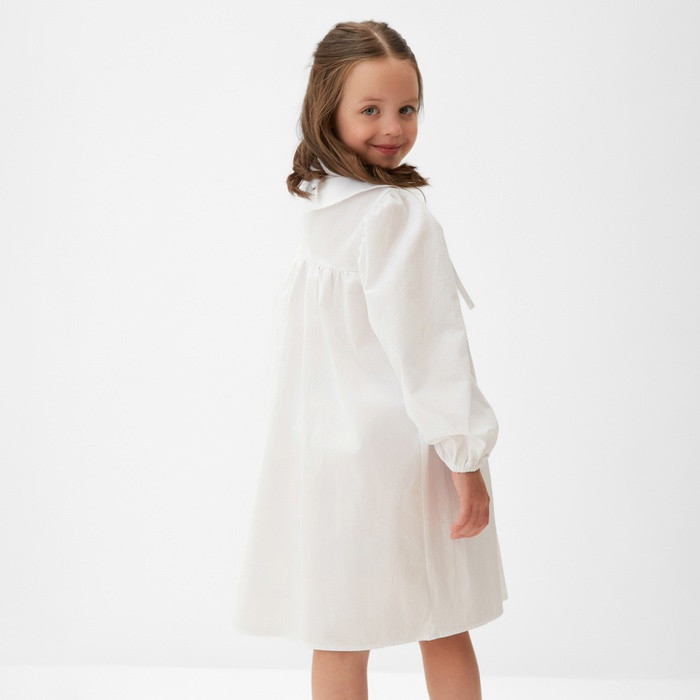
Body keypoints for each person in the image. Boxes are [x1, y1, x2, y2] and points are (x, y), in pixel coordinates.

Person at [230, 20, 508, 700]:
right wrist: (466, 458)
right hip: (406, 454)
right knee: (443, 619)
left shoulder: (323, 207)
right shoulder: (392, 214)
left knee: (339, 630)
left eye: (407, 109)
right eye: (371, 110)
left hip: (327, 458)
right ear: (328, 110)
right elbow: (431, 347)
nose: (393, 127)